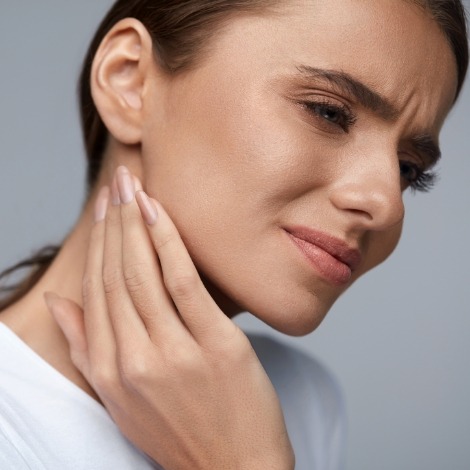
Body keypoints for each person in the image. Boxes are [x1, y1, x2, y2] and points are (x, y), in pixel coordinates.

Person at [0, 0, 468, 469]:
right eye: (328, 112)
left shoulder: (301, 400)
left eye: (409, 168)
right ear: (131, 81)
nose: (386, 204)